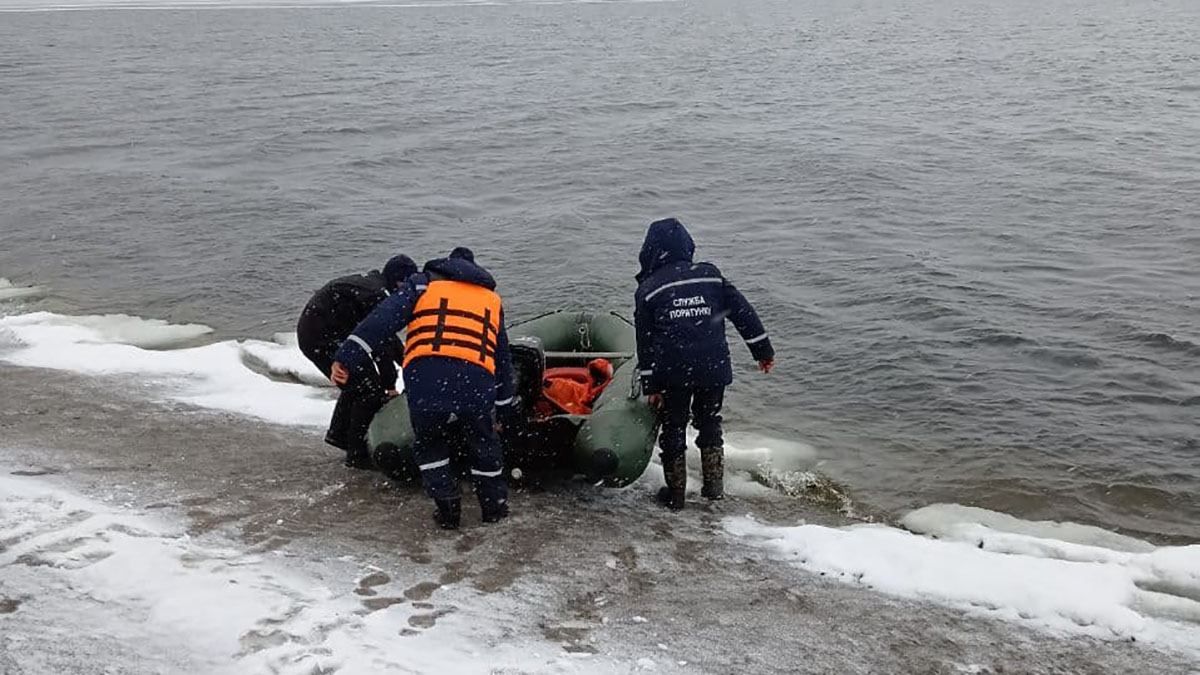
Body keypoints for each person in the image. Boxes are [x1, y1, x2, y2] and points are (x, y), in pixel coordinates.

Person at [331, 247, 517, 530]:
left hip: (427, 376)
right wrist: (504, 408)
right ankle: (493, 507)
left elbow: (382, 320)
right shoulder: (491, 300)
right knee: (483, 441)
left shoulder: (422, 284)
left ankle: (448, 508)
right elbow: (502, 359)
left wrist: (348, 354)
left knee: (430, 443)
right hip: (475, 378)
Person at [633, 218, 774, 510]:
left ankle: (676, 496)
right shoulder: (711, 276)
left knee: (673, 428)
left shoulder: (649, 289)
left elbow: (645, 342)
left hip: (673, 372)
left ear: (650, 250)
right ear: (688, 247)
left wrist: (651, 384)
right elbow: (743, 313)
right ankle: (714, 489)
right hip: (713, 368)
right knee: (709, 422)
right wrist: (762, 350)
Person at [297, 255, 418, 469]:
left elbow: (387, 340)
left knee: (358, 384)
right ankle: (356, 455)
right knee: (368, 389)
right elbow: (379, 344)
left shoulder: (375, 286)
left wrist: (409, 362)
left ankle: (339, 436)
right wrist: (390, 385)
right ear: (400, 282)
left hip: (324, 333)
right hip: (321, 337)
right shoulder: (377, 295)